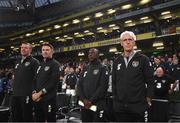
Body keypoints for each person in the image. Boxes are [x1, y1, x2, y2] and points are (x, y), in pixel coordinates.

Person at [112, 31, 154, 122]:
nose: (127, 42)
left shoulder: (143, 59)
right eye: (125, 40)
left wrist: (148, 98)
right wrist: (115, 101)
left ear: (134, 42)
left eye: (130, 39)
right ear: (121, 43)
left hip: (138, 107)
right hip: (120, 107)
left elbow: (150, 81)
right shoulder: (116, 61)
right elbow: (114, 83)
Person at [78, 48, 109, 122]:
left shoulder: (103, 68)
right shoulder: (85, 68)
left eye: (92, 53)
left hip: (97, 104)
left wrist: (91, 101)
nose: (90, 54)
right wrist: (83, 99)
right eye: (89, 53)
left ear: (98, 55)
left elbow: (102, 87)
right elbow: (79, 85)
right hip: (84, 104)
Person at [11, 42, 39, 122]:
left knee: (27, 117)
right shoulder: (17, 61)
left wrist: (34, 92)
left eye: (25, 48)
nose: (23, 49)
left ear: (30, 50)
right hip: (15, 94)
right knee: (15, 116)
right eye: (22, 47)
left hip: (27, 94)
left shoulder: (34, 62)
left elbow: (37, 78)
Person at [32, 43, 60, 122]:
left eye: (47, 50)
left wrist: (39, 93)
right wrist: (34, 92)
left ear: (52, 51)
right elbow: (34, 80)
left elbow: (53, 83)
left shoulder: (56, 65)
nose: (45, 52)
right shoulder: (40, 65)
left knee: (50, 120)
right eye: (43, 50)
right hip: (37, 99)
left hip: (49, 99)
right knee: (38, 119)